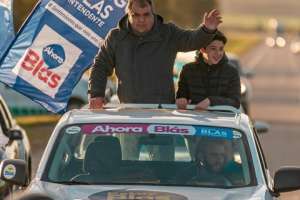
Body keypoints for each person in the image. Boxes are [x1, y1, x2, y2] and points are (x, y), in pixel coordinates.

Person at [88, 0, 222, 109]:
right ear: (128, 14)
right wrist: (96, 94)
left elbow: (191, 40)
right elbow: (100, 65)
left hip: (163, 112)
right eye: (136, 15)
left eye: (146, 15)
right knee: (129, 142)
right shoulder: (116, 37)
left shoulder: (168, 32)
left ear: (153, 13)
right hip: (129, 113)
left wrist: (207, 30)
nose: (141, 20)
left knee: (166, 143)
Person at [176, 31, 241, 110]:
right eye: (213, 49)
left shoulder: (232, 72)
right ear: (202, 49)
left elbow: (235, 102)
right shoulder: (188, 70)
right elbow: (181, 96)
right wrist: (181, 99)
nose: (218, 53)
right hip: (195, 119)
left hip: (223, 120)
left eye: (221, 49)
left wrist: (211, 101)